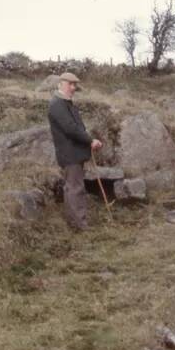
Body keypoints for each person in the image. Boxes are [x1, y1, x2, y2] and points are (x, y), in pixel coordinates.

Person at [47, 72, 103, 231]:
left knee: (74, 187)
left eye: (75, 84)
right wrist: (90, 140)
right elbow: (71, 129)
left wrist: (88, 141)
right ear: (60, 84)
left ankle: (76, 222)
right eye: (70, 84)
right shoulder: (57, 104)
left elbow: (77, 128)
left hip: (74, 152)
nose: (73, 87)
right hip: (70, 154)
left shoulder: (66, 103)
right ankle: (79, 225)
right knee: (75, 188)